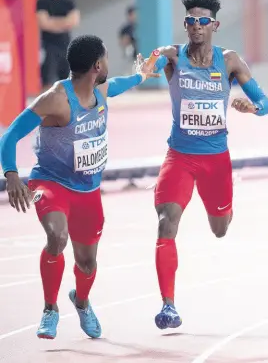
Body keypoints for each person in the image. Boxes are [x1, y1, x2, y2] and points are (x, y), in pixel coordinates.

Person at [0, 35, 159, 339]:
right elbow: (8, 137)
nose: (110, 63)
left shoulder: (102, 90)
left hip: (88, 190)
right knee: (57, 237)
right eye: (107, 57)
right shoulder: (56, 99)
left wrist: (142, 73)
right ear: (97, 65)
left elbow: (124, 82)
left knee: (87, 263)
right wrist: (11, 175)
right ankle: (50, 309)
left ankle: (82, 302)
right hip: (51, 182)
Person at [147, 0, 268, 330]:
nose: (196, 27)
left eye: (203, 21)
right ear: (185, 24)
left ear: (214, 24)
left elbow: (265, 103)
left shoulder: (229, 60)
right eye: (190, 21)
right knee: (166, 221)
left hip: (216, 161)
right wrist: (148, 66)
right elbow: (154, 63)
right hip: (180, 157)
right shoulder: (173, 57)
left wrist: (252, 106)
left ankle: (226, 209)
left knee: (220, 229)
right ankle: (168, 305)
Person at [36, 0, 80, 92]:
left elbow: (74, 21)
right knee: (47, 80)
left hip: (65, 45)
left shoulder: (68, 1)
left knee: (67, 80)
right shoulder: (43, 1)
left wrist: (53, 22)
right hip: (48, 46)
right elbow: (44, 23)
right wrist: (64, 22)